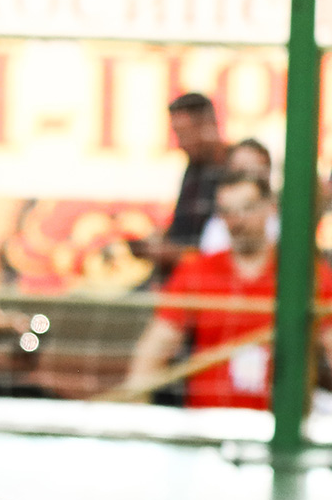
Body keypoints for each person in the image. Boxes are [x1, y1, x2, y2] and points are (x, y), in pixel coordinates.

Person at [126, 173, 332, 409]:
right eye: (227, 211)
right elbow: (156, 345)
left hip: (280, 424)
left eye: (247, 208)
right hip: (208, 422)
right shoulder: (197, 271)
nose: (237, 221)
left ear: (270, 207)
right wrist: (137, 409)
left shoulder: (306, 275)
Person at [135, 93, 229, 285]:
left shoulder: (232, 171)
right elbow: (185, 227)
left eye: (184, 134)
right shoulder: (193, 169)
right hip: (178, 279)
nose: (180, 143)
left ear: (208, 125)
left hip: (206, 283)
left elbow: (223, 251)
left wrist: (170, 253)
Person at [197, 139, 277, 255]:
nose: (244, 176)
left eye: (251, 169)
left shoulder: (286, 227)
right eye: (238, 169)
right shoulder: (216, 228)